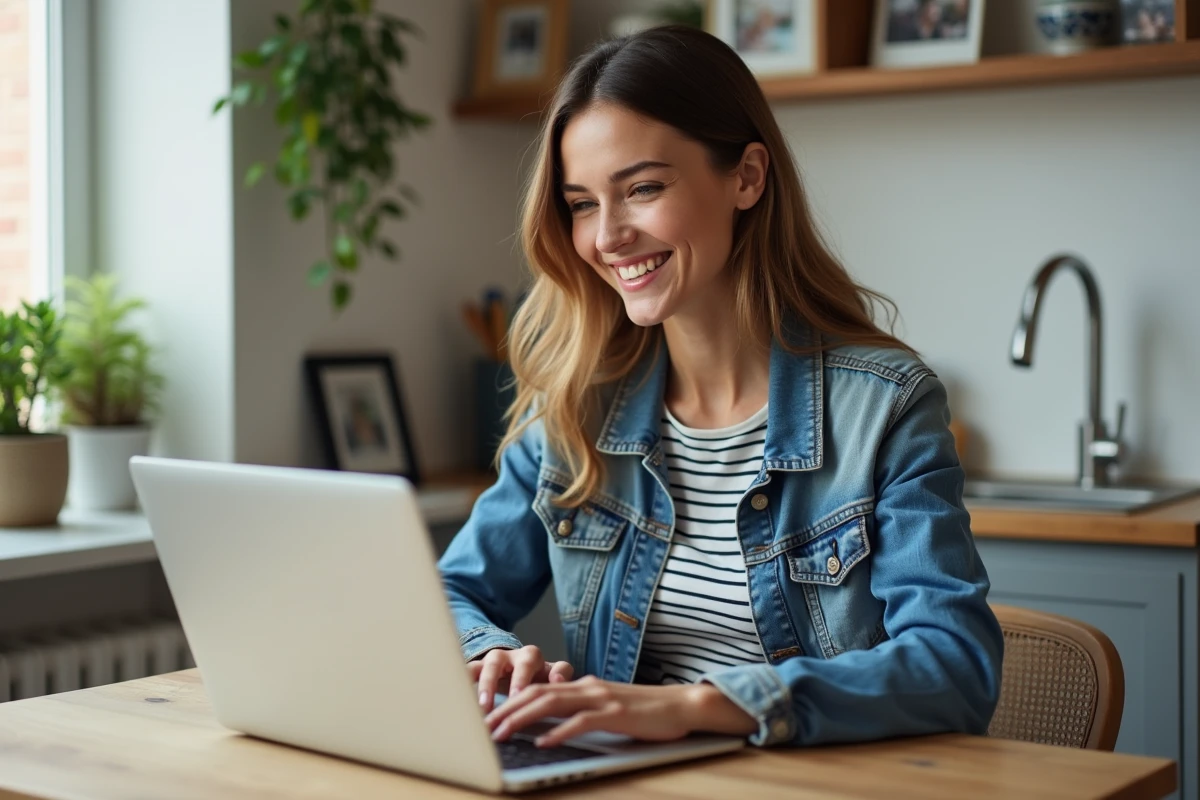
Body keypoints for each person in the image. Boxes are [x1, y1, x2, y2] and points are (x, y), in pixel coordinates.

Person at [437, 25, 1002, 750]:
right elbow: (446, 596)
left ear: (747, 177)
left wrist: (696, 706)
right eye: (581, 204)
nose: (607, 236)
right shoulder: (576, 409)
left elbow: (955, 668)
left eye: (641, 189)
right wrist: (487, 652)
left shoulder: (885, 408)